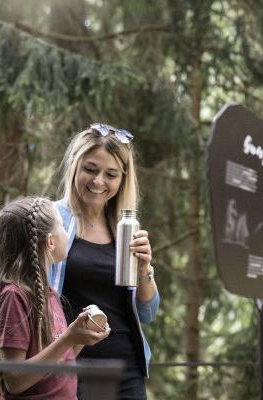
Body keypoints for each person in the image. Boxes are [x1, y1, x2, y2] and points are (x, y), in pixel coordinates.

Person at [49, 123, 160, 400]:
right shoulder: (51, 218)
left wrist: (145, 268)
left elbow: (147, 313)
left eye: (110, 174)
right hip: (69, 366)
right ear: (75, 164)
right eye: (90, 169)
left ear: (122, 179)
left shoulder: (125, 227)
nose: (98, 181)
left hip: (126, 368)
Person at [0, 196, 111, 399]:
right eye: (62, 225)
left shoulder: (48, 293)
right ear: (50, 242)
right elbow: (15, 381)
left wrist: (79, 338)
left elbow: (54, 364)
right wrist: (68, 338)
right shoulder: (14, 296)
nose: (70, 232)